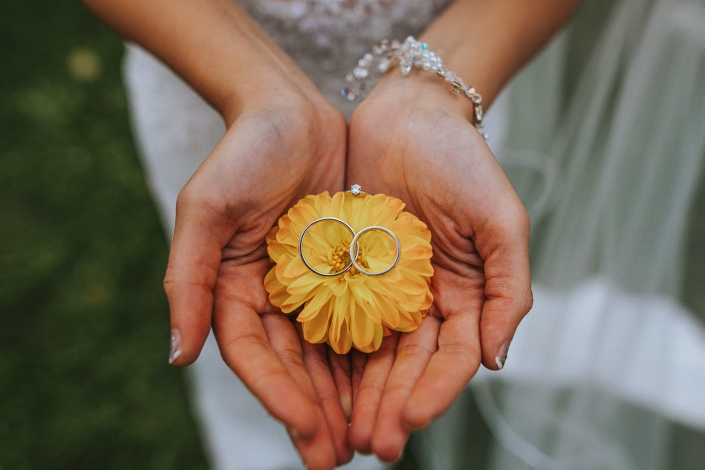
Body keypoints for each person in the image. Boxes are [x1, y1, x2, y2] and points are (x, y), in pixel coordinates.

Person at [83, 0, 705, 469]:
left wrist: (435, 95)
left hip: (453, 91)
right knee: (248, 356)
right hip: (212, 79)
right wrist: (255, 88)